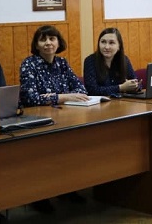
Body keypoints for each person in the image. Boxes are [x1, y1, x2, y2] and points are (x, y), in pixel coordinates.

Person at [19, 25, 89, 213]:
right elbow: (30, 98)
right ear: (36, 45)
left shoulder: (62, 63)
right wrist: (63, 96)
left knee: (69, 153)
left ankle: (67, 189)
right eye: (43, 39)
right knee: (45, 157)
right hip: (39, 121)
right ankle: (39, 197)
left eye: (52, 38)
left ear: (59, 42)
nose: (48, 43)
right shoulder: (29, 64)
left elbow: (81, 90)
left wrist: (59, 97)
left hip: (65, 117)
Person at [83, 27, 140, 96]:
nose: (106, 47)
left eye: (111, 43)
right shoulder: (90, 61)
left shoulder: (124, 60)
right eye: (103, 42)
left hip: (122, 101)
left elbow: (135, 81)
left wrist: (135, 86)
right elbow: (92, 90)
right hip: (101, 102)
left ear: (119, 46)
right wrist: (120, 88)